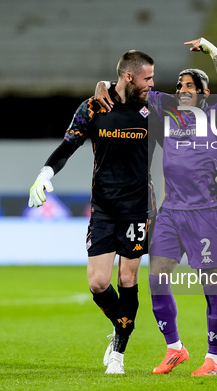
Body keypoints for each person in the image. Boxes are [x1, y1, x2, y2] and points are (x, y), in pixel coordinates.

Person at [95, 37, 217, 376]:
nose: (182, 89)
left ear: (204, 93)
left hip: (204, 214)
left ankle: (213, 360)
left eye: (190, 86)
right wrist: (103, 85)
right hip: (172, 213)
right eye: (179, 85)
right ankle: (175, 348)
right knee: (157, 280)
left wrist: (214, 52)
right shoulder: (168, 112)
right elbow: (129, 88)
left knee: (211, 288)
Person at [28, 50, 158, 374]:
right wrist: (46, 173)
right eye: (147, 78)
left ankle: (119, 353)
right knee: (99, 282)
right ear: (129, 77)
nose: (152, 84)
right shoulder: (93, 107)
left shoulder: (154, 107)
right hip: (103, 208)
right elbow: (69, 145)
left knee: (127, 278)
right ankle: (122, 325)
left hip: (138, 206)